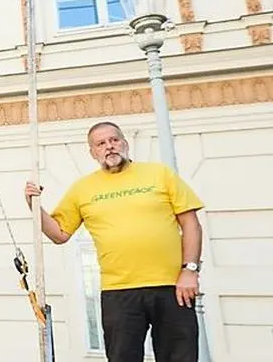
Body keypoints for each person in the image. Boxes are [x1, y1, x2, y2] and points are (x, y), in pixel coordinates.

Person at [25, 121, 205, 362]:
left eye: (114, 140)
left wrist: (189, 270)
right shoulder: (83, 189)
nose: (109, 147)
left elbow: (190, 223)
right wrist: (33, 206)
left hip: (173, 287)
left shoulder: (159, 174)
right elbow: (59, 234)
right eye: (101, 143)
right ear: (92, 152)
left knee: (181, 358)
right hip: (118, 292)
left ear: (125, 143)